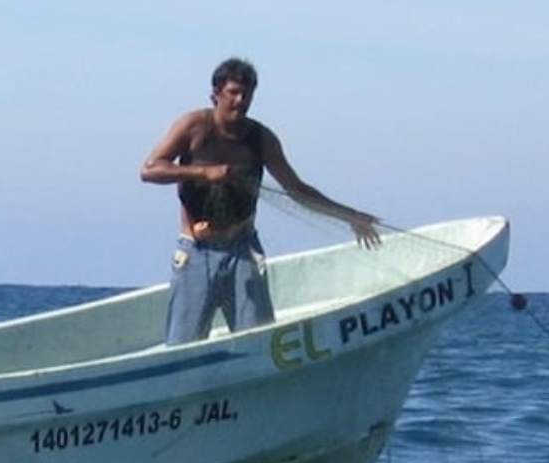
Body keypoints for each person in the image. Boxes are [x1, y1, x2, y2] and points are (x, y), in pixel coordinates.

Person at [140, 57, 381, 346]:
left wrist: (350, 216)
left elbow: (295, 188)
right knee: (182, 348)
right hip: (197, 252)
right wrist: (204, 172)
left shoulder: (261, 138)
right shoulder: (194, 125)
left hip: (243, 251)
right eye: (233, 93)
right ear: (216, 94)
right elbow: (150, 169)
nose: (240, 101)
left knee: (260, 344)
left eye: (247, 94)